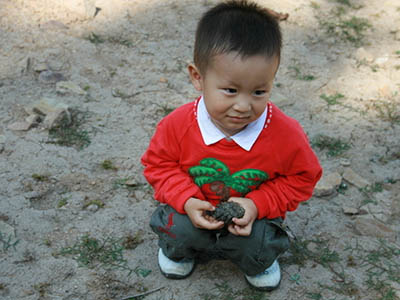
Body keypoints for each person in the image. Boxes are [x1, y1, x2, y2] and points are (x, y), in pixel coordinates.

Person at [141, 0, 322, 291]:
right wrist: (187, 199)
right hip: (195, 206)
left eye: (259, 91)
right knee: (179, 229)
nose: (243, 105)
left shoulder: (285, 134)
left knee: (258, 244)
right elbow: (158, 166)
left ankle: (258, 260)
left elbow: (303, 177)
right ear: (198, 77)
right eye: (230, 90)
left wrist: (257, 204)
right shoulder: (177, 125)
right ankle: (179, 251)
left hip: (253, 218)